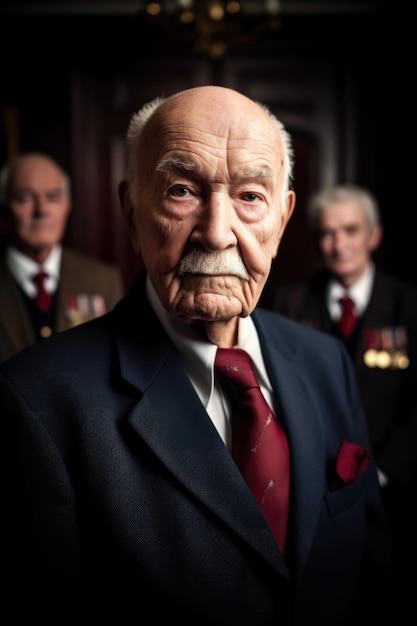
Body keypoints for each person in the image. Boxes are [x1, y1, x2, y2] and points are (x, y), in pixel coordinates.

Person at [0, 87, 393, 624]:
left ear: (282, 219)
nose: (216, 232)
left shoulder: (326, 363)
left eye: (251, 197)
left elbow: (371, 574)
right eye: (182, 191)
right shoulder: (36, 401)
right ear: (133, 212)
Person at [268, 183, 417, 609]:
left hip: (398, 489)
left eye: (351, 231)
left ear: (374, 236)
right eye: (328, 234)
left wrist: (384, 471)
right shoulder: (292, 300)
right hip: (321, 488)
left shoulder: (408, 305)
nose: (339, 245)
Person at [0, 152, 125, 363]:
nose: (41, 210)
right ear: (4, 207)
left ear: (67, 206)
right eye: (25, 198)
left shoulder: (103, 280)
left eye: (52, 197)